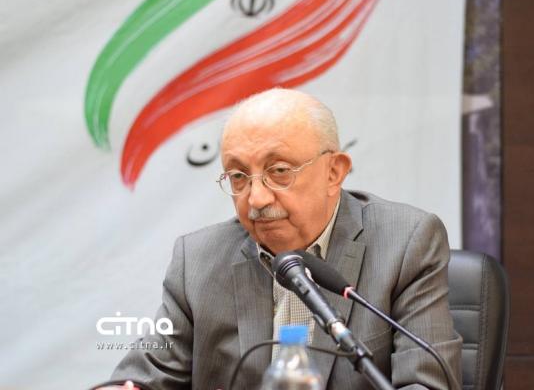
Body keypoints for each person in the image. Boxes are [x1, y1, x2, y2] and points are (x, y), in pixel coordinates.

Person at [110, 88, 462, 389]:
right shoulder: (199, 260)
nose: (256, 198)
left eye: (279, 171)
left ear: (334, 172)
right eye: (238, 176)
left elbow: (425, 383)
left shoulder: (405, 242)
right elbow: (142, 377)